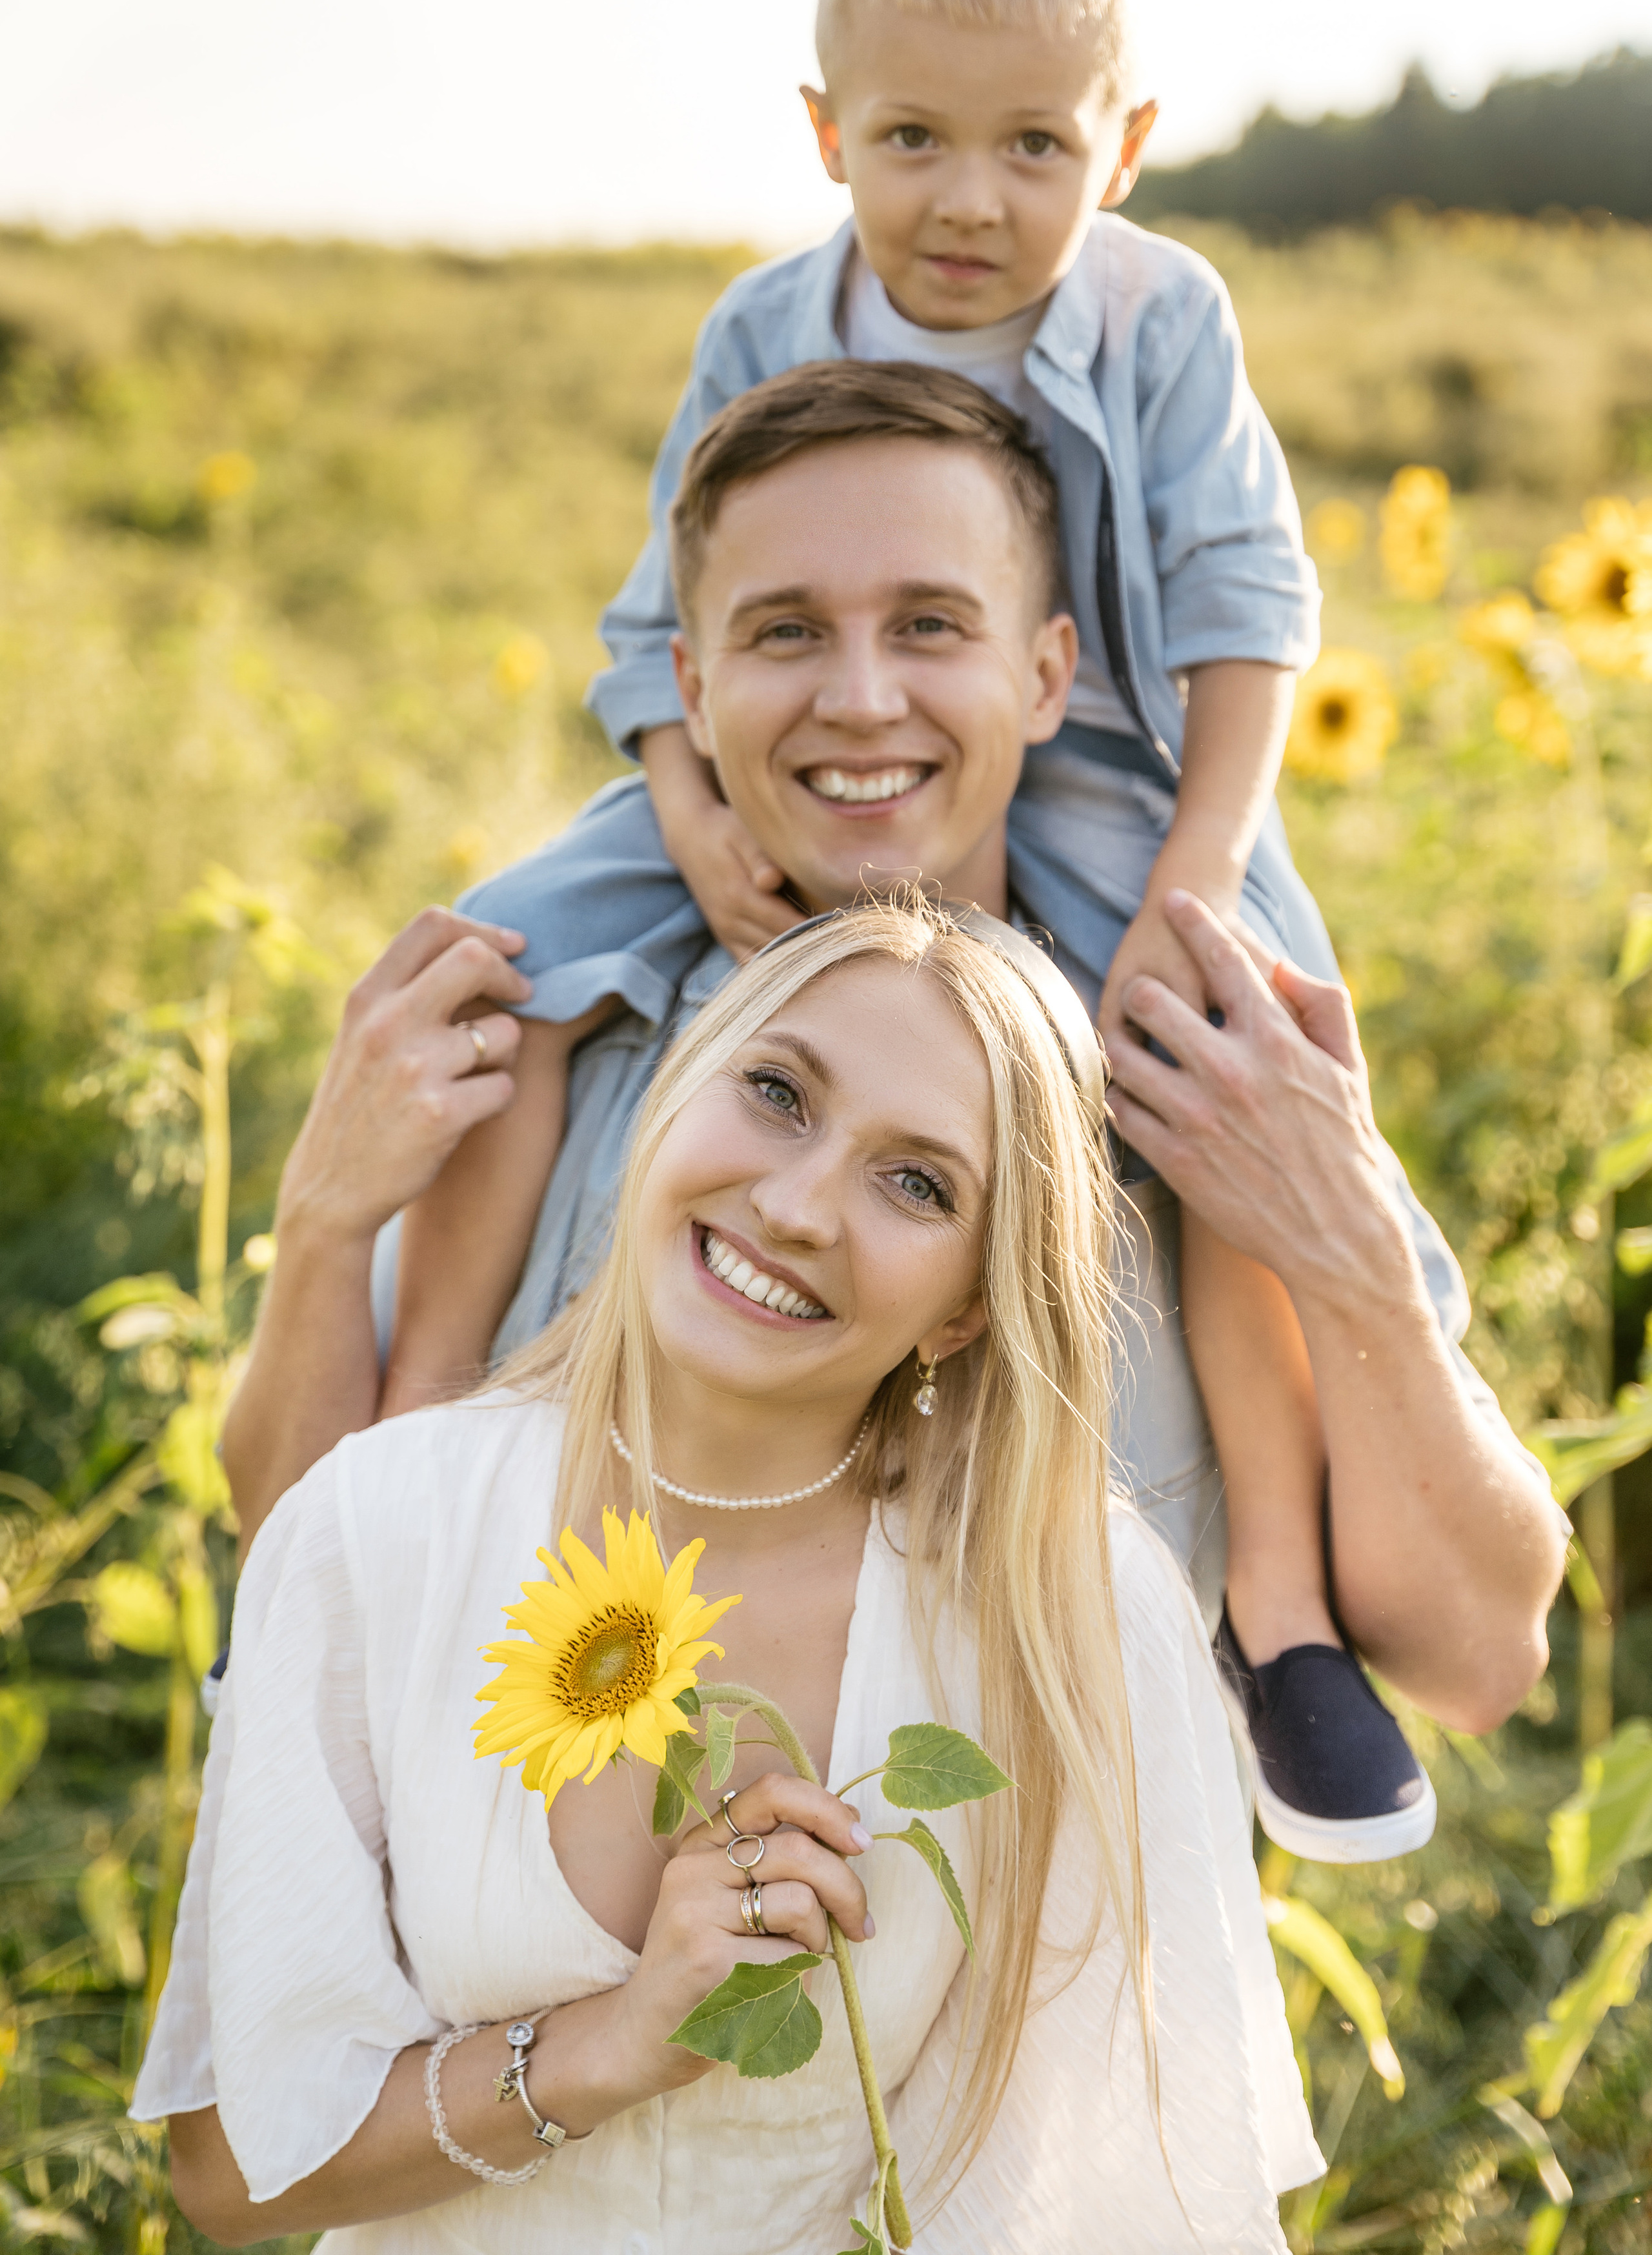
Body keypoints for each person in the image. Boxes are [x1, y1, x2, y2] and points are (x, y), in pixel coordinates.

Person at [367, 0, 1506, 1856]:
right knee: (510, 955)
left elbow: (1248, 617)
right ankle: (424, 1451)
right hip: (730, 772)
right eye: (911, 138)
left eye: (1034, 147)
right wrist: (695, 800)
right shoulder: (757, 326)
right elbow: (665, 619)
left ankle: (1278, 1607)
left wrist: (1193, 880)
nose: (971, 202)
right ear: (823, 130)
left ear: (1126, 143)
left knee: (1209, 1072)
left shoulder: (1162, 321)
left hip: (1116, 770)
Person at [220, 368, 1566, 1859]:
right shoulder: (552, 1043)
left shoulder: (1201, 1084)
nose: (860, 698)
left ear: (1048, 675)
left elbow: (1474, 1658)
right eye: (785, 630)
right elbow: (306, 1560)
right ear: (691, 689)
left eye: (929, 625)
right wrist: (326, 1220)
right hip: (548, 2004)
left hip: (1029, 2026)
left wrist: (1348, 1255)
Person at [138, 898, 1324, 2252]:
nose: (796, 1204)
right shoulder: (376, 1524)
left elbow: (1121, 2211)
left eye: (916, 1183)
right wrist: (616, 2042)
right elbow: (235, 2169)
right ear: (677, 1083)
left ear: (965, 1308)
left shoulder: (1064, 1613)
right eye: (775, 1093)